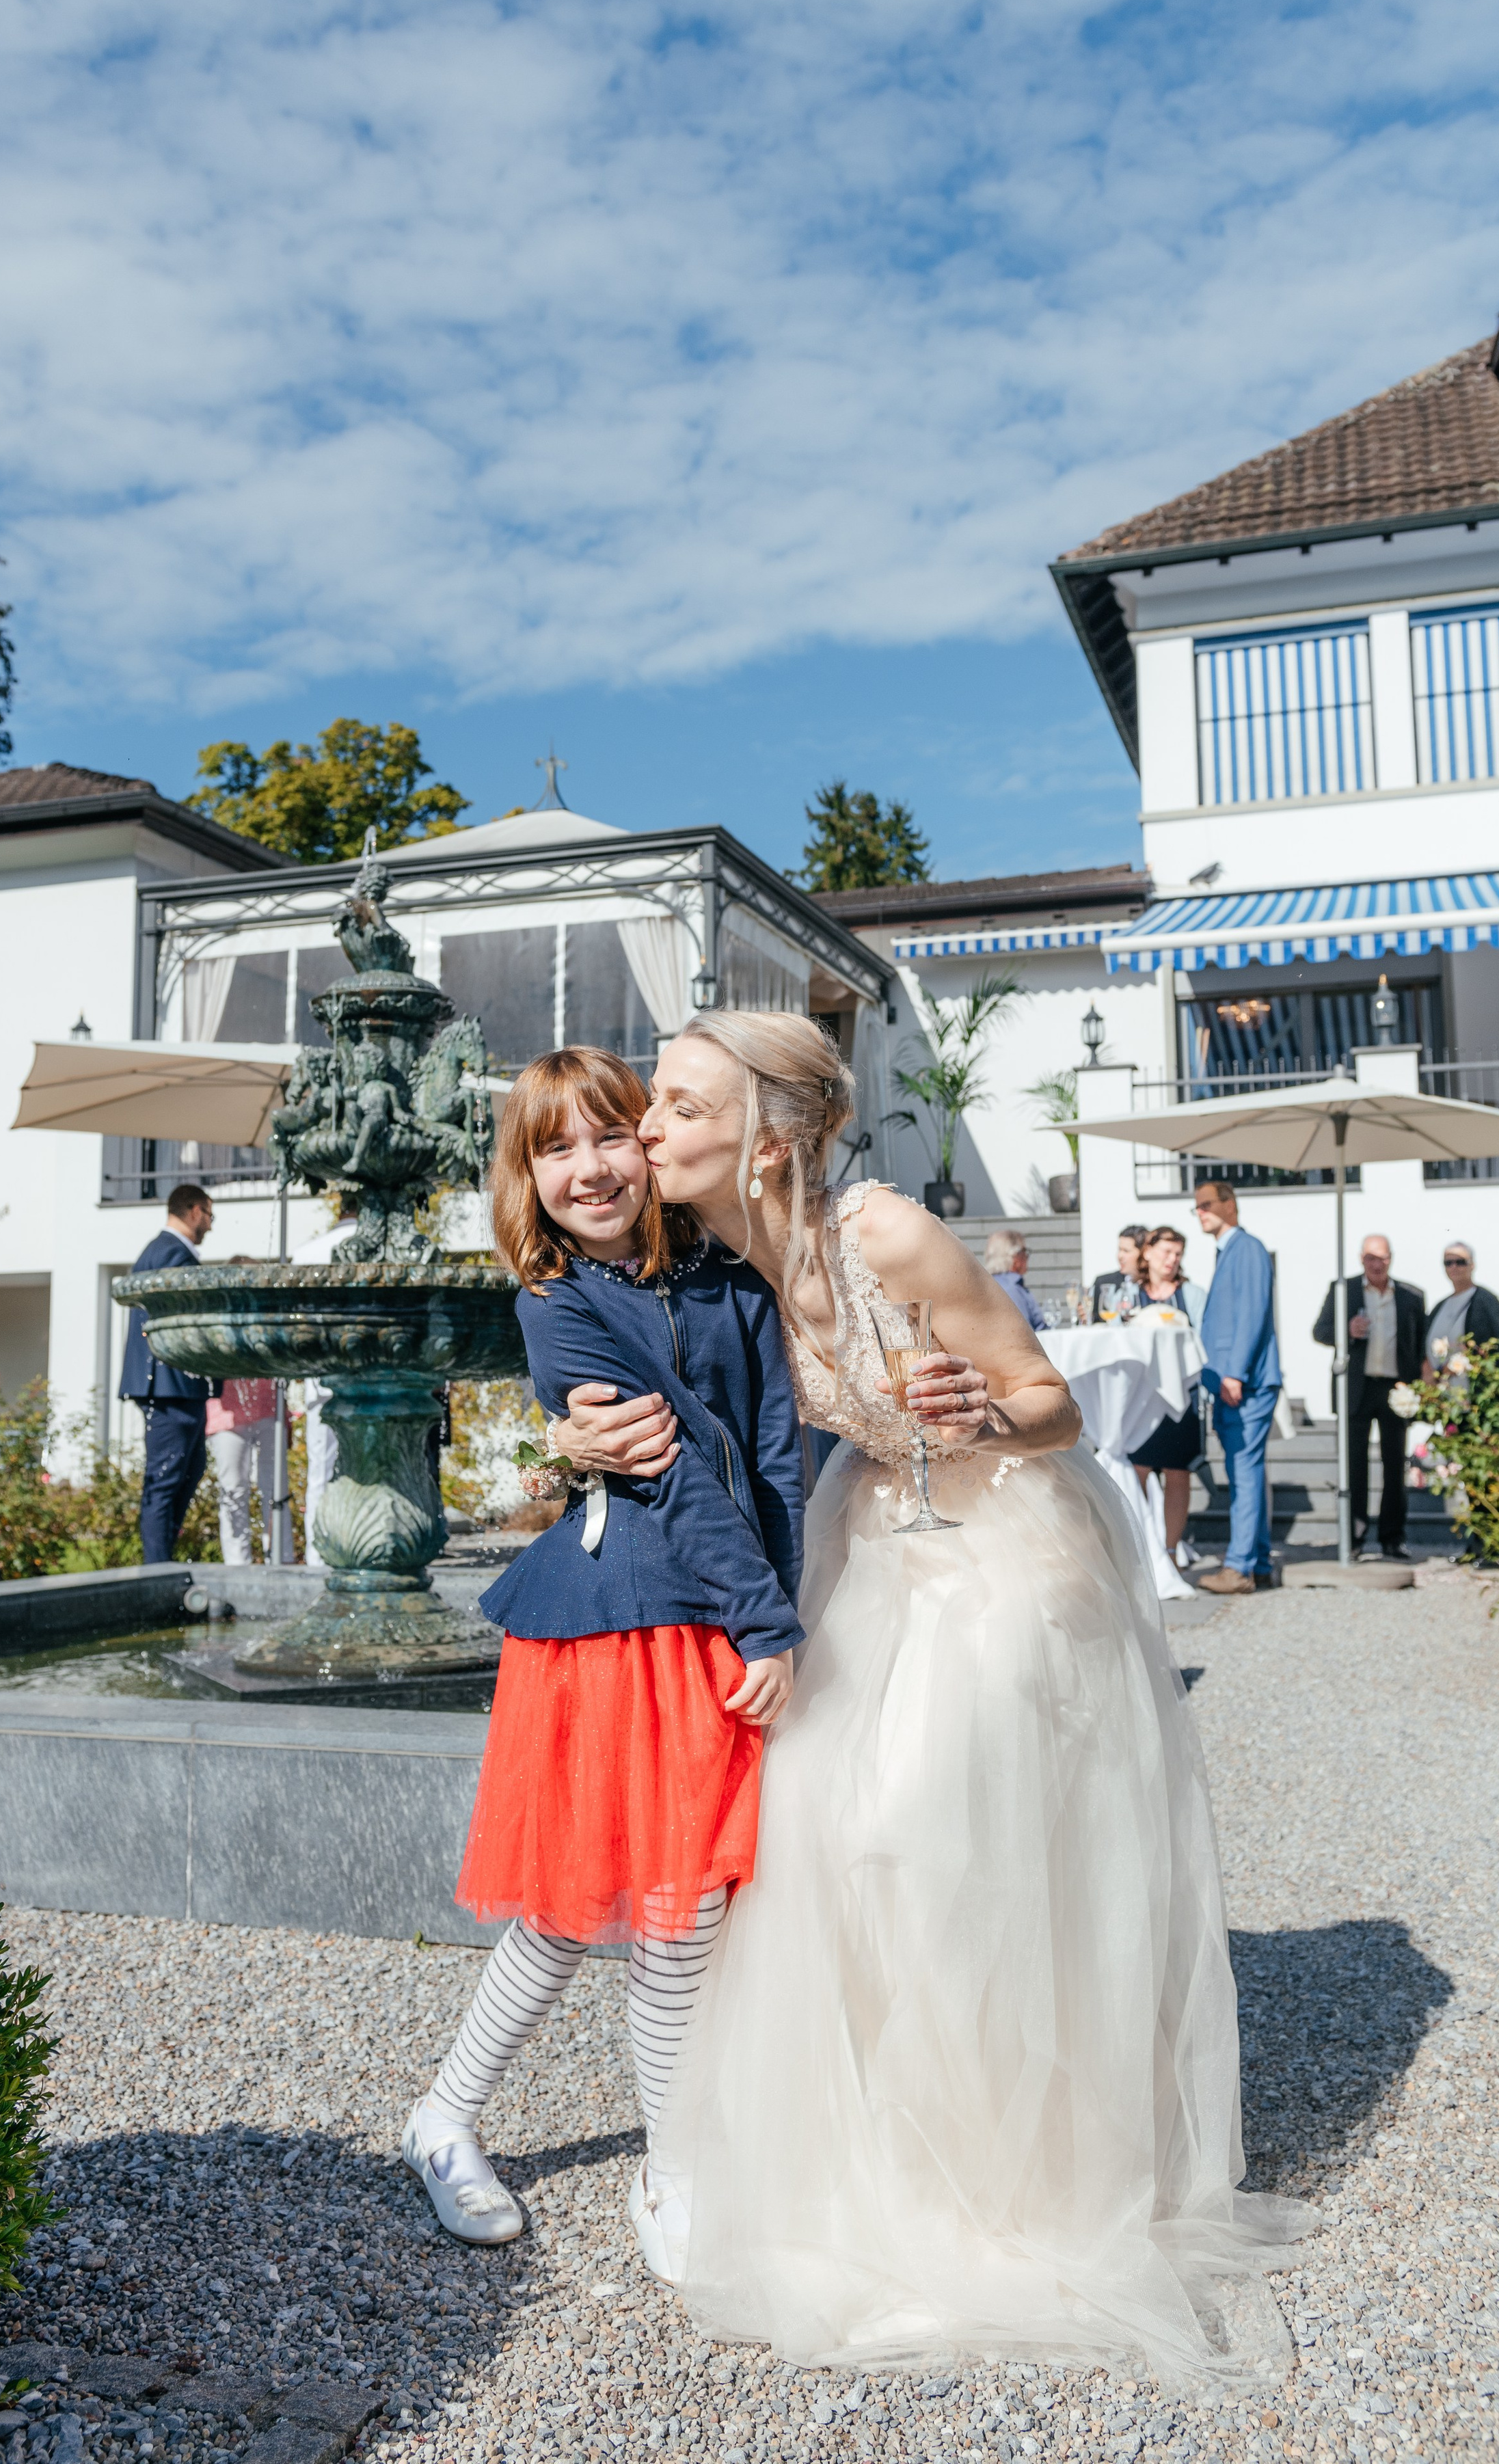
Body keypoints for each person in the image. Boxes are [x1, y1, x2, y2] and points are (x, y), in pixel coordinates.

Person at [558, 1014, 1306, 2381]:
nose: (643, 1128)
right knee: (831, 1846)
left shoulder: (885, 1231)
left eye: (672, 1105)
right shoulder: (715, 1259)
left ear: (766, 1134)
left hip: (1007, 1552)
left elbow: (1058, 1412)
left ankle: (1029, 2177)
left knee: (932, 1832)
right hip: (870, 1544)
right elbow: (589, 1328)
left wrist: (977, 1412)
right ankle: (896, 2160)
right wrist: (566, 1434)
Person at [402, 1047, 805, 2265]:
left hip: (719, 1618)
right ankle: (455, 2121)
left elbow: (779, 1454)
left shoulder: (738, 1281)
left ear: (653, 1143)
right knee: (578, 1909)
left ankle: (668, 2158)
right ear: (525, 1175)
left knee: (686, 1912)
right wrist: (770, 1623)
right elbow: (671, 1463)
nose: (588, 1168)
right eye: (553, 1148)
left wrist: (787, 1609)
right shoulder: (558, 1302)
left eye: (608, 1135)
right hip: (619, 1626)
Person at [118, 1184, 218, 1564]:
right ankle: (157, 1571)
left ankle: (162, 1564)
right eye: (210, 1214)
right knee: (166, 1480)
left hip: (172, 1385)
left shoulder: (161, 1251)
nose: (211, 1224)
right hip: (170, 1385)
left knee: (185, 1472)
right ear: (194, 1211)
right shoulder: (173, 1254)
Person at [1191, 1179, 1282, 1597]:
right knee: (1246, 1471)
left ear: (1231, 1204)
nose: (1201, 1212)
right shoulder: (1232, 1251)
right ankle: (1258, 1563)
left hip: (1243, 1382)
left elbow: (1252, 1313)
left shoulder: (1246, 1248)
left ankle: (1240, 1567)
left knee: (1244, 1473)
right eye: (1197, 1207)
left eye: (1207, 1204)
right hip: (1235, 1381)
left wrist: (1235, 1373)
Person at [1310, 1234, 1426, 1562]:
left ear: (1391, 1259)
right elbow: (1320, 1331)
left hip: (1395, 1391)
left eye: (1383, 1258)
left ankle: (1392, 1538)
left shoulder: (1411, 1296)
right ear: (1362, 1259)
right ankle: (1355, 1537)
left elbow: (1419, 1346)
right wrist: (1346, 1330)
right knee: (1354, 1467)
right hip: (1356, 1390)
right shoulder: (1343, 1290)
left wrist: (1418, 1388)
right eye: (1371, 1258)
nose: (1377, 1264)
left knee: (1394, 1466)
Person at [1131, 1223, 1204, 1561]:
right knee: (1138, 1471)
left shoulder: (1192, 1296)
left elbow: (1203, 1344)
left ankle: (1171, 1551)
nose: (1172, 1260)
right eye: (1166, 1252)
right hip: (1139, 1400)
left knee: (1179, 1472)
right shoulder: (1129, 1295)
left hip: (1181, 1400)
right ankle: (1142, 1549)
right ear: (1147, 1253)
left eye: (1178, 1254)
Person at [293, 1203, 359, 1566]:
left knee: (320, 1470)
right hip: (376, 1376)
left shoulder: (305, 1253)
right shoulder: (381, 1248)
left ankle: (316, 1556)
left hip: (321, 1380)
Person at [205, 1377, 295, 1565]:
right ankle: (237, 1563)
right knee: (232, 1489)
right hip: (226, 1411)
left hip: (271, 1406)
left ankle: (282, 1558)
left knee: (276, 1489)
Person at [1424, 1240, 1499, 1387]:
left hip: (1475, 1395)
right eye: (1448, 1263)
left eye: (1460, 1262)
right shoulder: (1440, 1307)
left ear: (1472, 1265)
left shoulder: (1486, 1302)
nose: (1454, 1267)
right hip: (1442, 1398)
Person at [983, 1226, 1048, 1329]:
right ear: (1015, 1255)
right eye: (1025, 1251)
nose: (1027, 1257)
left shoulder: (989, 1284)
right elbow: (1025, 1333)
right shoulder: (1011, 1289)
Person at [1090, 1223, 1150, 1322]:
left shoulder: (1155, 1286)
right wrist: (1087, 1317)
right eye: (1119, 1250)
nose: (1120, 1256)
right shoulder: (1103, 1283)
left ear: (1144, 1253)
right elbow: (1095, 1322)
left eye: (1126, 1251)